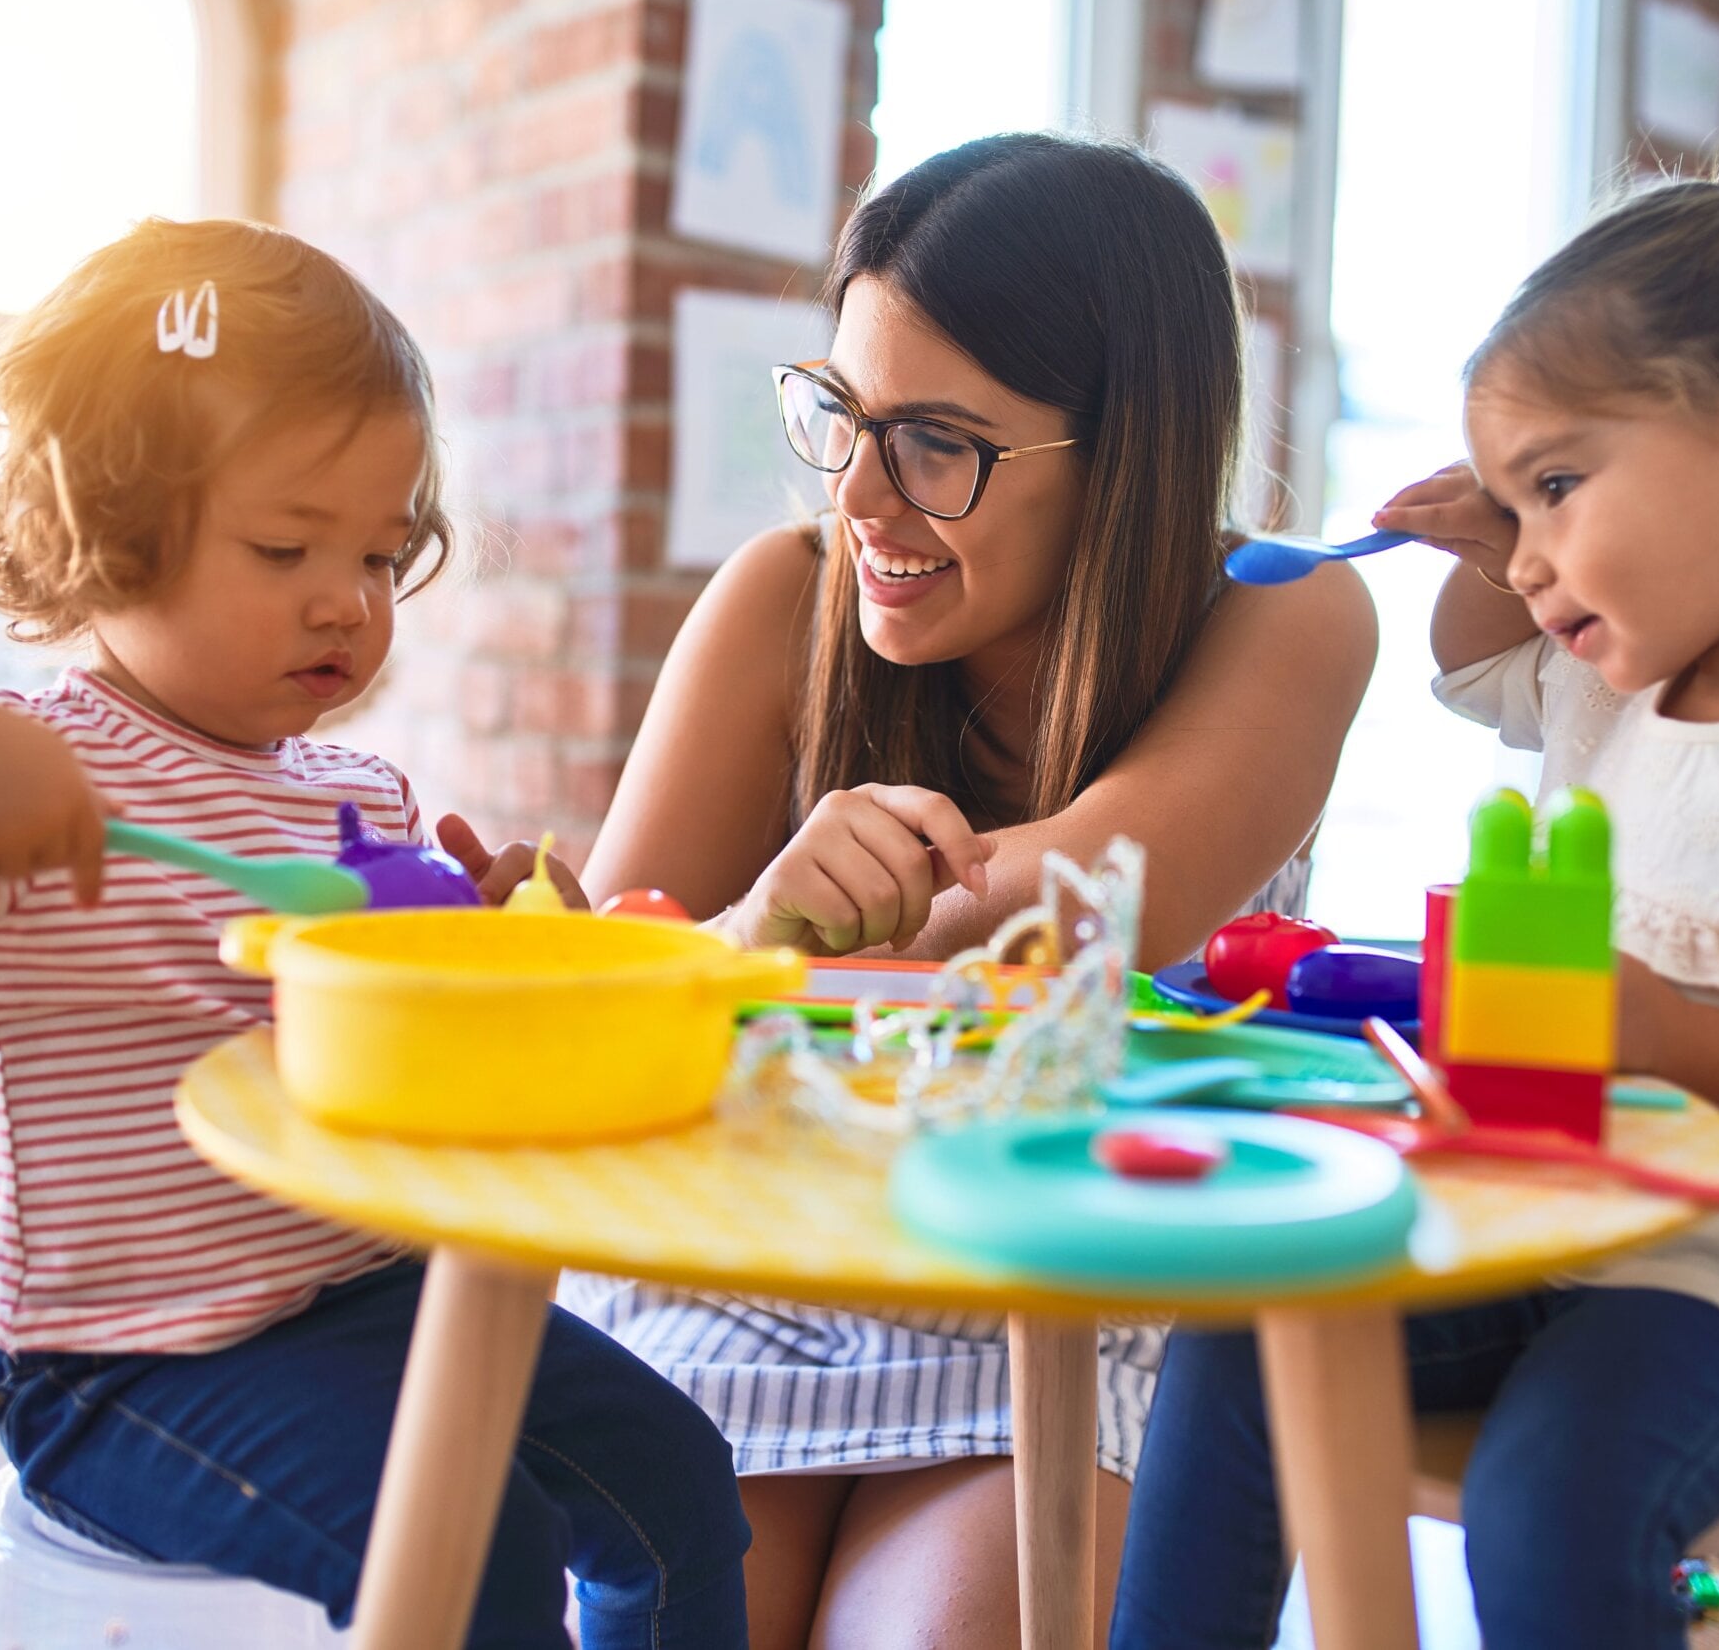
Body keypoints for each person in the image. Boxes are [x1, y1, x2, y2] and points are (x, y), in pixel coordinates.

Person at [1110, 20, 1719, 1650]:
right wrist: (1500, 522)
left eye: (1561, 488)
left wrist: (1673, 1037)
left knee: (1548, 1494)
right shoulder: (1613, 689)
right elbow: (1466, 657)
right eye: (1516, 502)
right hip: (1536, 1231)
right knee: (1242, 1338)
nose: (1532, 557)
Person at [0, 217, 749, 1650]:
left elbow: (434, 1052)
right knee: (475, 1553)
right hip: (125, 1368)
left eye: (386, 557)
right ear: (111, 525)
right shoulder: (31, 775)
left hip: (380, 1302)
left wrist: (518, 941)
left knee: (682, 1485)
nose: (349, 599)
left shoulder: (362, 798)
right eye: (286, 546)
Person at [563, 133, 1376, 1647]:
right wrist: (752, 930)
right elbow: (597, 996)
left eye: (937, 441)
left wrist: (780, 946)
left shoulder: (1286, 610)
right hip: (757, 1255)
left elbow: (1095, 894)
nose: (863, 492)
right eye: (844, 416)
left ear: (1122, 450)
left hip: (1087, 1284)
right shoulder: (775, 602)